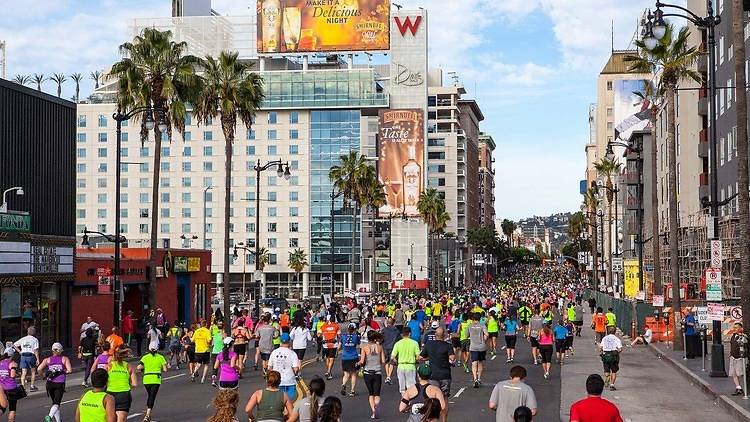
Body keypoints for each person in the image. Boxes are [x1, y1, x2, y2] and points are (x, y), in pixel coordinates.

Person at [37, 342, 72, 422]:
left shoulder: (47, 359)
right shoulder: (64, 359)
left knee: (55, 403)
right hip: (59, 383)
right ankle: (49, 416)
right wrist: (62, 371)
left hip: (50, 383)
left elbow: (39, 369)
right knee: (56, 403)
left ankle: (59, 420)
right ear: (60, 350)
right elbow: (69, 370)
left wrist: (43, 377)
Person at [419, 328, 454, 398]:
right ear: (444, 335)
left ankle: (435, 408)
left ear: (435, 335)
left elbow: (420, 357)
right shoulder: (448, 346)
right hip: (445, 374)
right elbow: (452, 358)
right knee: (444, 397)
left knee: (433, 396)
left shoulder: (429, 344)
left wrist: (430, 357)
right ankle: (444, 408)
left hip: (433, 375)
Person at [106, 347, 138, 422]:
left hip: (110, 394)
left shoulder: (109, 366)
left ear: (114, 355)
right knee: (121, 420)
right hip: (124, 394)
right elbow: (135, 384)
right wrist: (127, 383)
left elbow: (104, 381)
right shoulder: (128, 366)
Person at [359, 330, 385, 418]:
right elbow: (383, 361)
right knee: (377, 394)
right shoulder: (380, 347)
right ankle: (377, 406)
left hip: (367, 372)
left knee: (371, 394)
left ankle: (374, 411)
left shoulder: (364, 347)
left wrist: (358, 363)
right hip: (377, 372)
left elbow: (362, 361)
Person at [138, 343, 167, 421]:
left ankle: (148, 413)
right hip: (156, 379)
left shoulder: (145, 357)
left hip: (146, 379)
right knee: (152, 397)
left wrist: (143, 369)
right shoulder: (161, 357)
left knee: (150, 395)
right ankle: (147, 415)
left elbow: (139, 367)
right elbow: (165, 369)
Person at [268, 333, 300, 401]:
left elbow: (269, 368)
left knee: (279, 401)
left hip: (277, 381)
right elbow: (296, 369)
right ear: (289, 341)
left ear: (280, 341)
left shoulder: (274, 352)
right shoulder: (292, 353)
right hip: (290, 381)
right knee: (288, 402)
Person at [391, 327, 421, 393]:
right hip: (411, 366)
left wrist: (397, 362)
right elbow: (418, 356)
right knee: (411, 387)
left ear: (402, 334)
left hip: (401, 366)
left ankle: (404, 401)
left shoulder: (398, 343)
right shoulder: (414, 343)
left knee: (402, 389)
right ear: (410, 333)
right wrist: (416, 360)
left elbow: (392, 357)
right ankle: (410, 401)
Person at [13, 326, 39, 391]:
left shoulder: (23, 339)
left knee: (24, 372)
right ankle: (32, 386)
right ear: (34, 332)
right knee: (33, 371)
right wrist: (38, 359)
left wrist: (20, 351)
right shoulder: (35, 339)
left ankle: (23, 387)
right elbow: (36, 350)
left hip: (23, 356)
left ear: (28, 332)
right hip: (31, 356)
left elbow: (14, 345)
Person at [0, 347, 23, 422]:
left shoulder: (0, 363)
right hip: (11, 388)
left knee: (2, 407)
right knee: (12, 408)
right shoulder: (12, 363)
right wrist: (17, 374)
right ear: (12, 355)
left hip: (2, 389)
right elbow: (12, 375)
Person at [468, 312, 489, 388]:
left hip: (473, 346)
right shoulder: (482, 325)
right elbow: (487, 334)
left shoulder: (470, 326)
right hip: (481, 346)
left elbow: (466, 335)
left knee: (474, 363)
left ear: (473, 319)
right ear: (480, 318)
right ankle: (479, 378)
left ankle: (475, 379)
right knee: (480, 362)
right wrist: (484, 341)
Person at [729, 322, 749, 396]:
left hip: (740, 358)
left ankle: (745, 389)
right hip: (733, 357)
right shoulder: (733, 336)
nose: (734, 329)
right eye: (734, 327)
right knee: (733, 373)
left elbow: (745, 346)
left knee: (740, 373)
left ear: (741, 328)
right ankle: (738, 388)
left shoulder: (743, 337)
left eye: (736, 327)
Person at [192, 319, 212, 384]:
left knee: (198, 363)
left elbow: (192, 340)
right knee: (206, 365)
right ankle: (203, 378)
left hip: (197, 350)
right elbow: (209, 340)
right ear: (206, 324)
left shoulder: (197, 331)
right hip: (205, 350)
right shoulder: (207, 331)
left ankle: (194, 373)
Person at [320, 315, 340, 380]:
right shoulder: (336, 326)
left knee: (327, 358)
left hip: (325, 344)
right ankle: (328, 371)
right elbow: (339, 334)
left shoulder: (323, 326)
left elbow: (319, 334)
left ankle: (329, 372)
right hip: (333, 344)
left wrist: (323, 336)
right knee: (332, 359)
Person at [382, 318, 400, 386]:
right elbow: (399, 339)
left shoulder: (384, 330)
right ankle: (389, 376)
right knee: (392, 362)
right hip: (393, 347)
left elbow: (381, 338)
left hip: (385, 347)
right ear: (393, 323)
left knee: (386, 362)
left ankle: (387, 375)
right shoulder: (396, 330)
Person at [210, 320, 226, 387]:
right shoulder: (224, 335)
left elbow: (212, 344)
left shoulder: (215, 335)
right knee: (223, 367)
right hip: (221, 352)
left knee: (215, 367)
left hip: (214, 352)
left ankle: (213, 381)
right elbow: (226, 343)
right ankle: (223, 380)